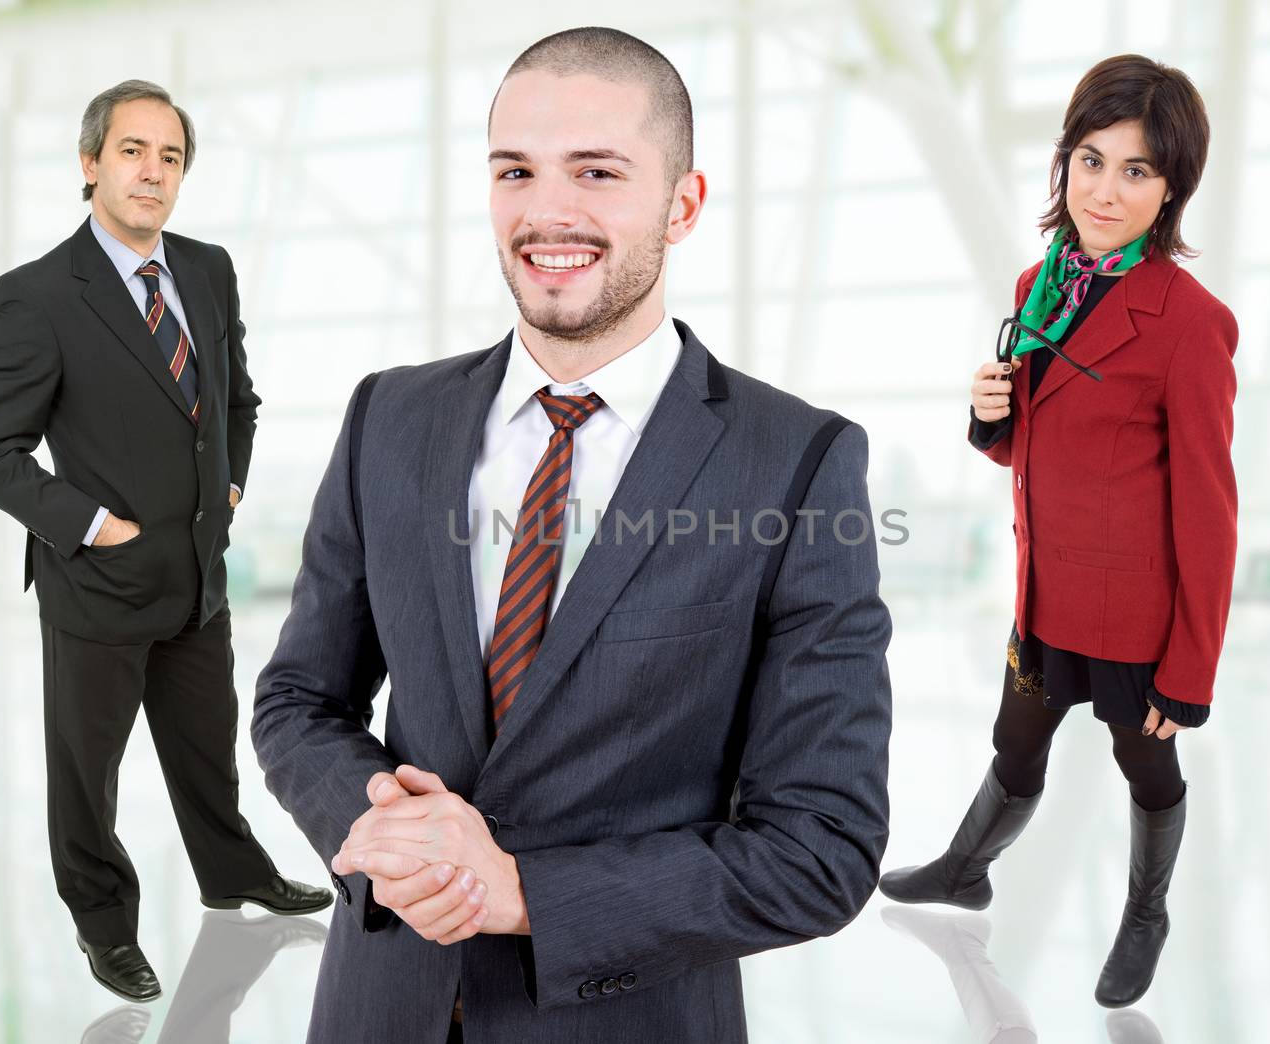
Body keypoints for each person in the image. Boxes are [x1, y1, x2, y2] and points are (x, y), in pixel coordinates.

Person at [251, 27, 893, 1044]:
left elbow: (822, 848)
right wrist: (378, 821)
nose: (547, 212)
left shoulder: (796, 462)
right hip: (378, 1009)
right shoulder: (390, 417)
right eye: (516, 171)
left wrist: (520, 893)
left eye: (596, 172)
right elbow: (297, 700)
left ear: (681, 205)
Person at [0, 79, 330, 1004]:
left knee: (206, 746)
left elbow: (236, 399)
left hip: (199, 573)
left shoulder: (206, 269)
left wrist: (231, 483)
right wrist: (93, 525)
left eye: (170, 157)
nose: (151, 173)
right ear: (90, 166)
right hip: (100, 583)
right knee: (89, 775)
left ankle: (232, 871)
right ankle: (102, 922)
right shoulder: (41, 295)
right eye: (132, 151)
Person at [878, 54, 1238, 1010]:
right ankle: (964, 869)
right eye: (1089, 159)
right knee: (1016, 740)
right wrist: (992, 417)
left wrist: (1191, 668)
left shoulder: (1191, 324)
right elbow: (1042, 444)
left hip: (1135, 608)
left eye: (1135, 171)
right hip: (1046, 587)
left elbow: (1209, 508)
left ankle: (1147, 913)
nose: (1104, 190)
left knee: (1142, 756)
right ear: (1063, 162)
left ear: (1171, 190)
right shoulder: (1043, 282)